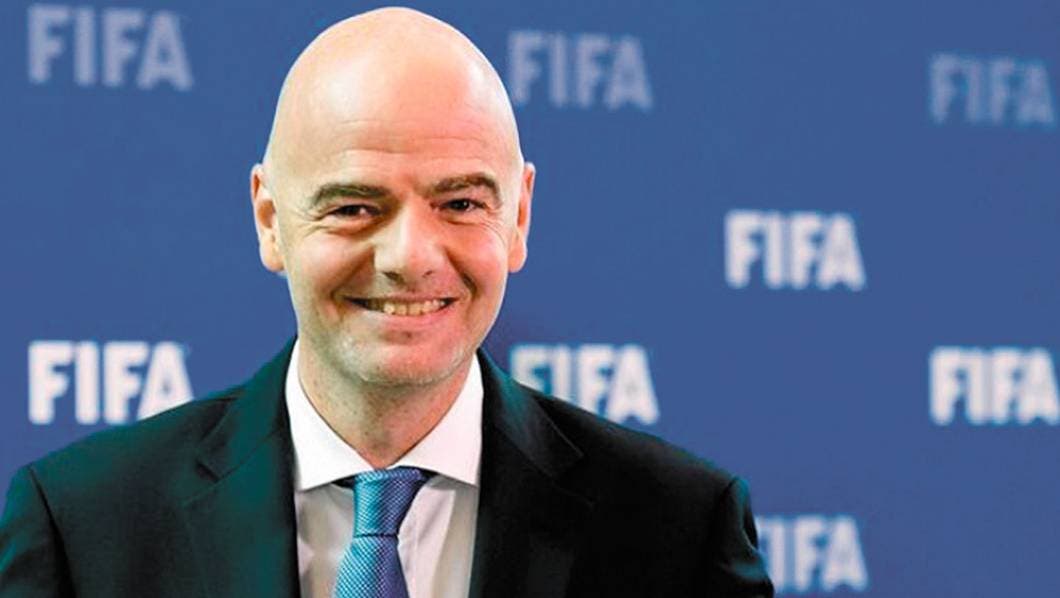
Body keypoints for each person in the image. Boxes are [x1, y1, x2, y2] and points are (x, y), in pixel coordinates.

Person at [0, 7, 773, 598]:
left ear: (519, 217)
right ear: (270, 220)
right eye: (354, 207)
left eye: (461, 203)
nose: (410, 257)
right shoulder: (82, 526)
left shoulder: (680, 531)